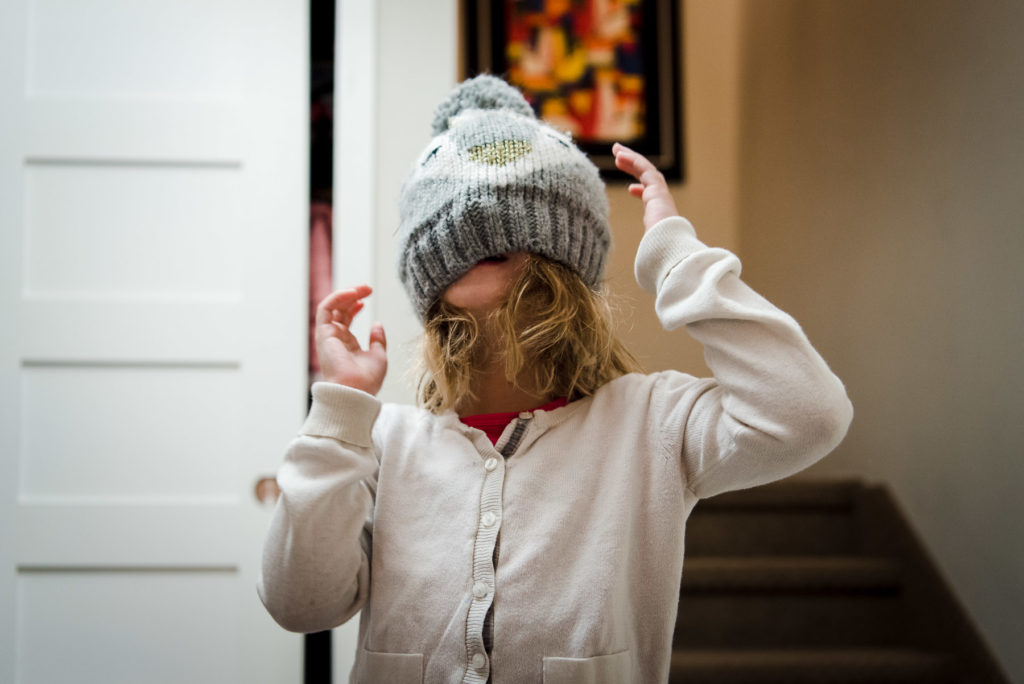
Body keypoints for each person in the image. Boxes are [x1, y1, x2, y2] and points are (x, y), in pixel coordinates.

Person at [258, 75, 853, 683]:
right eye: (456, 234)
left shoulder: (652, 426)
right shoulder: (384, 442)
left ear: (563, 260)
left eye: (509, 224)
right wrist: (341, 411)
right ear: (429, 274)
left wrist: (676, 259)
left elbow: (807, 415)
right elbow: (301, 603)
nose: (481, 231)